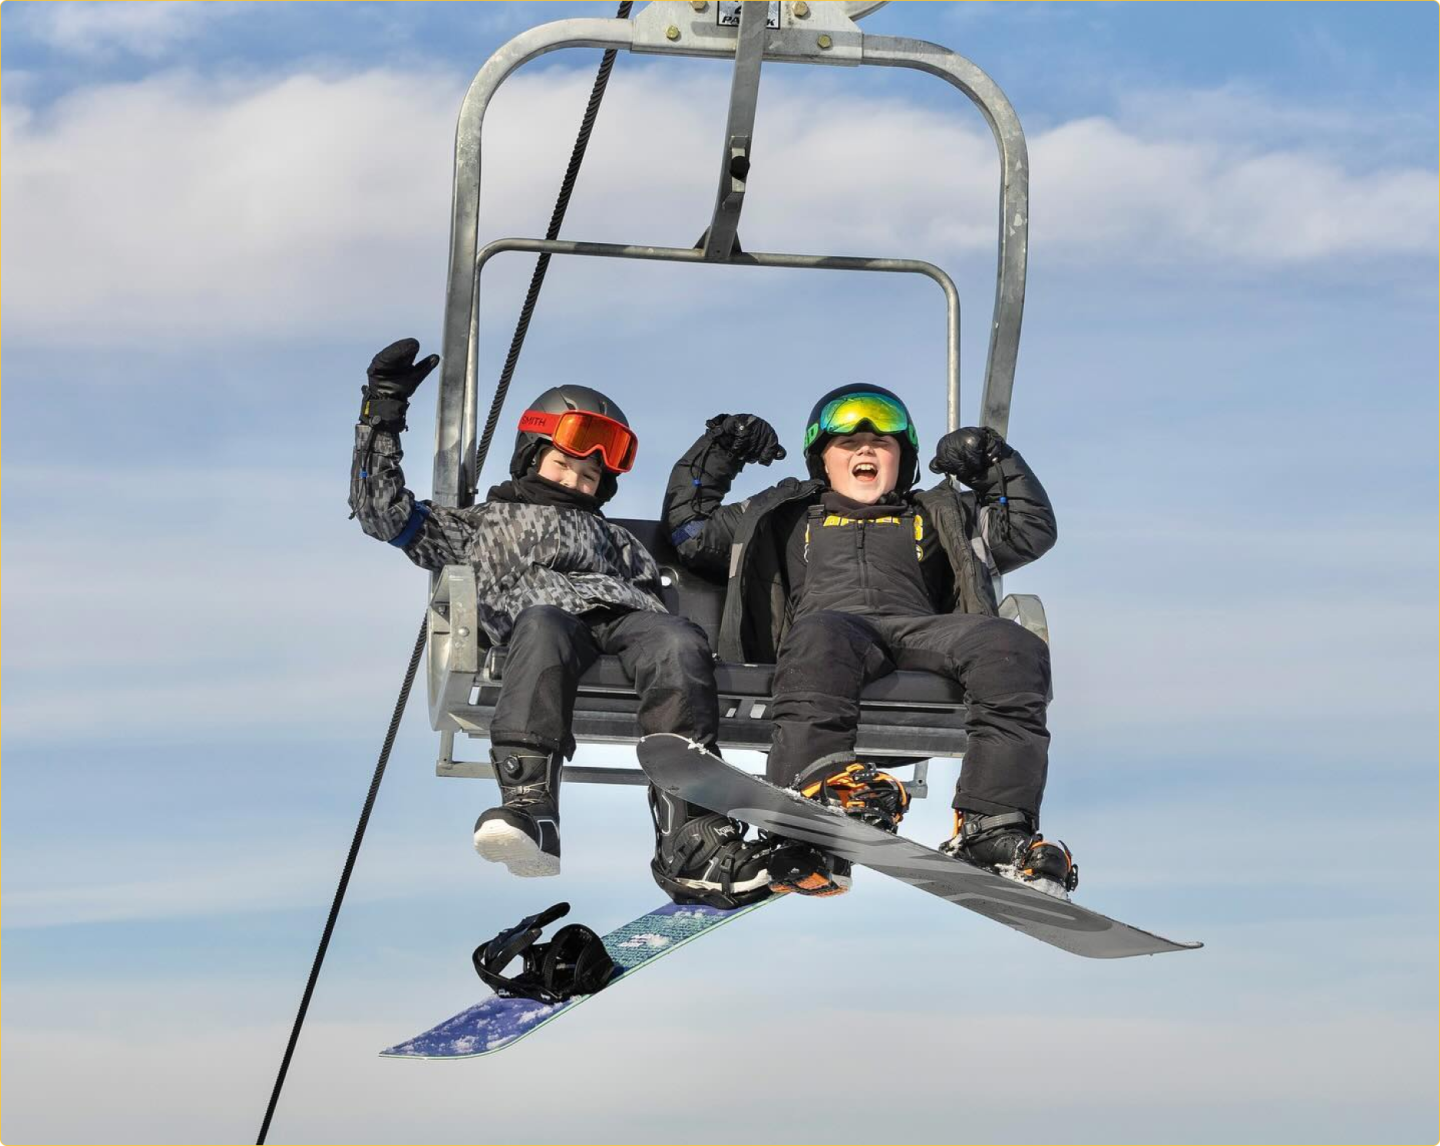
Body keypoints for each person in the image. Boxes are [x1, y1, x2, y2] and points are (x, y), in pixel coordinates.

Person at [350, 339, 806, 907]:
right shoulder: (480, 523)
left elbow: (688, 543)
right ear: (530, 457)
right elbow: (381, 511)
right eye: (563, 464)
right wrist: (382, 412)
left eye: (589, 476)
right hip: (542, 622)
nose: (573, 481)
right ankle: (531, 807)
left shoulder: (616, 537)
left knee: (677, 639)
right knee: (544, 625)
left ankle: (689, 834)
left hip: (625, 622)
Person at [662, 387, 1077, 897]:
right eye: (847, 443)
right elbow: (690, 530)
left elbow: (1028, 530)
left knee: (1009, 644)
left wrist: (991, 463)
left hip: (919, 630)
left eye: (882, 443)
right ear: (822, 460)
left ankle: (993, 825)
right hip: (832, 632)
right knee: (820, 634)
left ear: (903, 460)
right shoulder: (783, 513)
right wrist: (722, 449)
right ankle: (812, 793)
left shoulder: (938, 511)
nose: (865, 450)